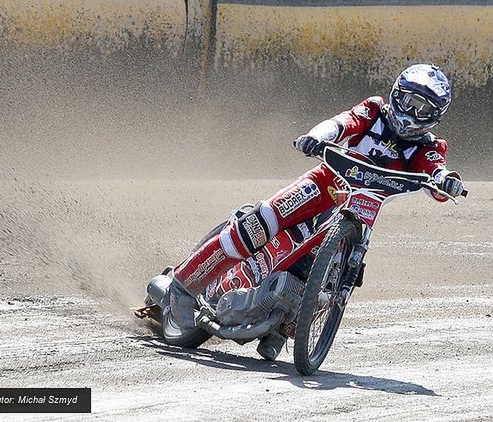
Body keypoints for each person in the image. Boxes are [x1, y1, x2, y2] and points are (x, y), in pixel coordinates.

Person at [167, 64, 465, 356]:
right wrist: (317, 136)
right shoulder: (375, 110)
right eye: (409, 102)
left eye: (423, 110)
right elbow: (342, 123)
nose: (412, 113)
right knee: (260, 222)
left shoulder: (430, 146)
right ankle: (182, 288)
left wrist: (447, 182)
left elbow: (436, 172)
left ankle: (283, 327)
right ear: (397, 94)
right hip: (323, 185)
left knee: (334, 277)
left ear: (434, 117)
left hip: (362, 210)